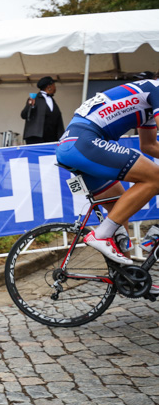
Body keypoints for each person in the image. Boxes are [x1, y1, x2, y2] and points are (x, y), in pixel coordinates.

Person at [56, 70, 159, 293]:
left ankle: (133, 281)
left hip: (76, 145)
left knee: (120, 208)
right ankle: (100, 235)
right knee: (155, 178)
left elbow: (149, 146)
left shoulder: (148, 98)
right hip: (85, 143)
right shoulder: (156, 89)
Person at [21, 76, 64, 144]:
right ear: (49, 86)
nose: (55, 88)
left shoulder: (52, 101)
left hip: (52, 139)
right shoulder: (35, 99)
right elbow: (24, 115)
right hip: (36, 137)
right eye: (54, 85)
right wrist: (31, 106)